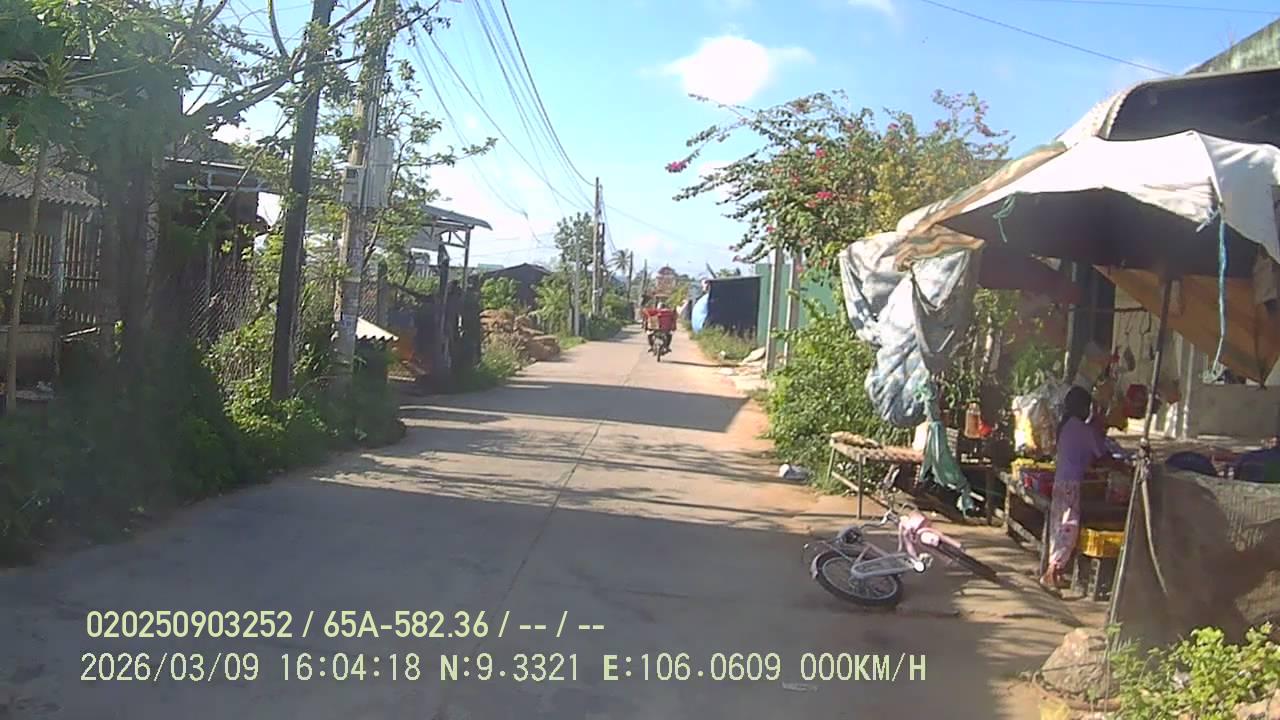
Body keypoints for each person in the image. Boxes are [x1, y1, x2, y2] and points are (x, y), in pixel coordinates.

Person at [1040, 386, 1110, 593]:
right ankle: (1053, 571)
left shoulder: (1066, 426)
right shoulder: (1083, 430)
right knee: (1068, 527)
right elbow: (1102, 456)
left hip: (1060, 481)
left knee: (1058, 526)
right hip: (1072, 484)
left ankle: (1054, 571)